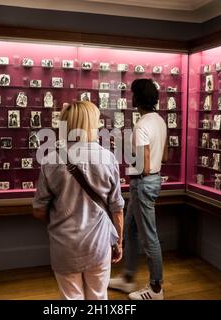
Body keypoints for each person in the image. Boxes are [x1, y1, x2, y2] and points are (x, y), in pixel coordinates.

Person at [32, 101, 124, 300]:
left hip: (64, 245)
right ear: (92, 124)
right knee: (99, 296)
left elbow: (39, 210)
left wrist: (59, 221)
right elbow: (117, 207)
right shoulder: (108, 158)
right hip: (99, 244)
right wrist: (119, 242)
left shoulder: (50, 160)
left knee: (70, 298)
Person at [109, 78, 167, 300]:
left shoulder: (142, 124)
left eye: (133, 94)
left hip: (143, 183)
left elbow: (142, 165)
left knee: (149, 237)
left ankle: (156, 288)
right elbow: (164, 155)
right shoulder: (160, 122)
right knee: (131, 231)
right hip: (149, 181)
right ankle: (128, 278)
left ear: (138, 98)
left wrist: (122, 148)